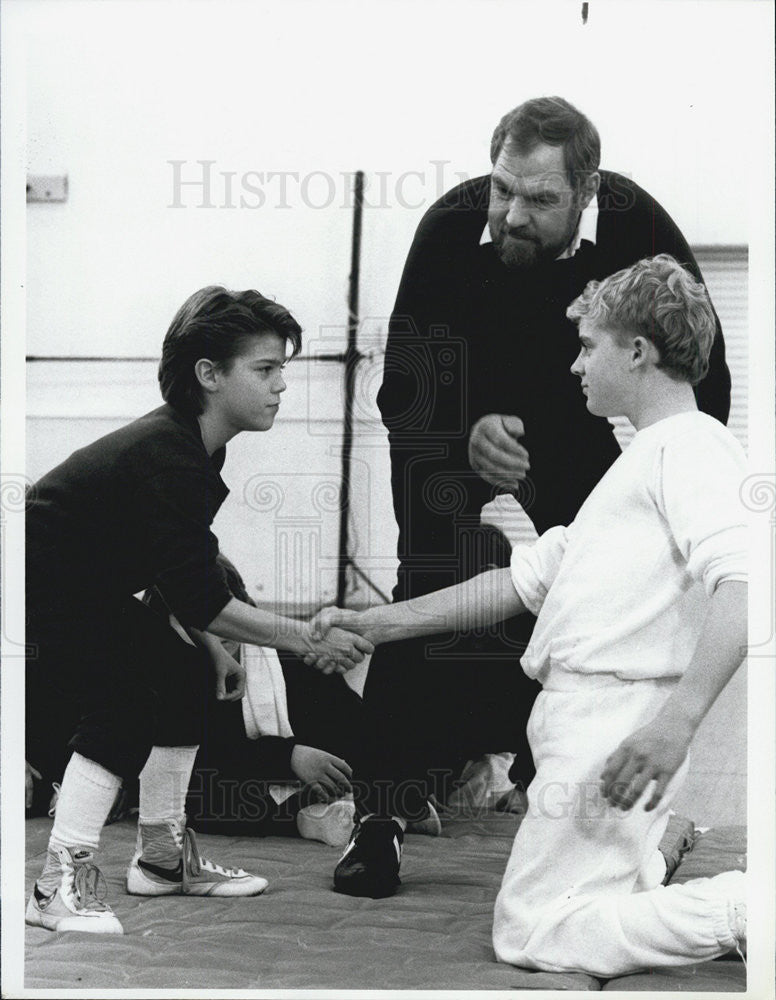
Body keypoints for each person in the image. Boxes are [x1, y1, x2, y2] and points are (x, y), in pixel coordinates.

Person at [338, 95, 732, 898]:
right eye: (502, 190)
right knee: (431, 572)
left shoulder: (637, 226)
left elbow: (705, 381)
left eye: (541, 200)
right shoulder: (450, 229)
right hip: (456, 414)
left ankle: (569, 786)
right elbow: (404, 390)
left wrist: (661, 470)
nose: (513, 216)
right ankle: (378, 816)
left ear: (587, 193)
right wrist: (465, 439)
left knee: (597, 586)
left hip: (574, 416)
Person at [319, 255, 747, 974]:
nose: (575, 366)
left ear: (637, 352)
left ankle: (744, 909)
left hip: (613, 724)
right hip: (588, 718)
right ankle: (690, 898)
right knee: (599, 894)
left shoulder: (693, 447)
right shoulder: (641, 461)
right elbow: (519, 582)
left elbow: (746, 580)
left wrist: (677, 721)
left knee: (533, 932)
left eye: (589, 346)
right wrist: (373, 626)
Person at [25, 286, 371, 935]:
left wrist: (209, 649)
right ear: (209, 374)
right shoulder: (170, 455)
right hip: (36, 588)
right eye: (266, 370)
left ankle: (161, 862)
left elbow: (181, 569)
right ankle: (54, 887)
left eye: (283, 371)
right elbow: (207, 601)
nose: (281, 386)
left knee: (180, 671)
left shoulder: (196, 446)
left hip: (84, 587)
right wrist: (307, 638)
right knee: (122, 703)